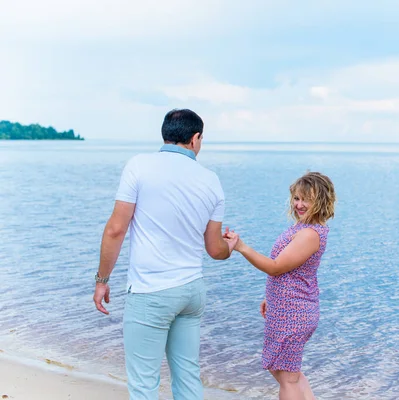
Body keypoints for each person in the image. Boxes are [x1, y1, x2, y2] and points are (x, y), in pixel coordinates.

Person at [93, 108, 237, 400]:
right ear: (195, 139)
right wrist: (231, 246)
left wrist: (102, 279)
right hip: (191, 292)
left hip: (151, 291)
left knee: (144, 384)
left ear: (165, 134)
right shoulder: (211, 180)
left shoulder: (139, 166)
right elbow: (215, 250)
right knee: (187, 378)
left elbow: (115, 230)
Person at [224, 172, 336, 400]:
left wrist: (241, 247)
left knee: (288, 377)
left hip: (295, 312)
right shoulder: (302, 228)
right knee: (283, 370)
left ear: (321, 201)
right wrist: (271, 297)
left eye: (307, 199)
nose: (300, 205)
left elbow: (276, 267)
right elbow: (291, 272)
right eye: (296, 198)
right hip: (287, 307)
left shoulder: (309, 234)